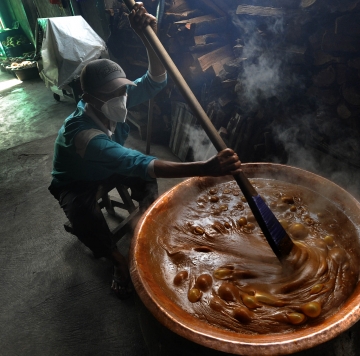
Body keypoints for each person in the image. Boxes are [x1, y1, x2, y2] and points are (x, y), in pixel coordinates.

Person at [48, 2, 241, 300]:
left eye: (122, 89)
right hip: (76, 180)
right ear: (88, 98)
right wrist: (205, 167)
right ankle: (118, 263)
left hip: (109, 164)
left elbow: (156, 79)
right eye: (113, 93)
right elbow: (136, 160)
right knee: (86, 218)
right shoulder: (84, 134)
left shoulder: (117, 97)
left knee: (146, 183)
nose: (122, 97)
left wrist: (145, 36)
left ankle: (147, 223)